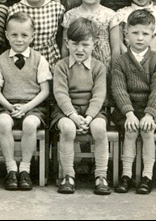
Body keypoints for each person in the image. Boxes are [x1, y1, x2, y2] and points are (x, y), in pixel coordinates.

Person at [111, 9, 156, 195]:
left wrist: (150, 114)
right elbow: (119, 89)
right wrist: (128, 113)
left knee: (147, 130)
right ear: (126, 34)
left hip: (151, 110)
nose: (140, 38)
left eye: (145, 34)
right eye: (135, 33)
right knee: (130, 129)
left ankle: (147, 175)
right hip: (127, 110)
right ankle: (126, 174)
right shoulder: (120, 61)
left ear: (153, 35)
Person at [0, 12, 51, 191]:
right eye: (14, 35)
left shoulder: (39, 59)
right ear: (7, 35)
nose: (19, 39)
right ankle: (11, 169)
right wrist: (8, 106)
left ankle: (25, 169)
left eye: (24, 35)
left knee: (30, 124)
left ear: (32, 36)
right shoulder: (0, 60)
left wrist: (26, 107)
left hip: (33, 106)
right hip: (8, 105)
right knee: (2, 122)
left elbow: (45, 90)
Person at [53, 18, 110, 195]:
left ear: (94, 44)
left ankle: (101, 175)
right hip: (66, 111)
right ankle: (68, 175)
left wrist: (89, 117)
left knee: (100, 129)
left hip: (92, 111)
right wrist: (73, 116)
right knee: (68, 129)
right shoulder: (61, 66)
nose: (79, 49)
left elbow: (99, 95)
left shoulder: (98, 67)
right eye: (75, 44)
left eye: (85, 44)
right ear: (67, 43)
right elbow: (60, 93)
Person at [61, 0, 122, 71]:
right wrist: (66, 69)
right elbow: (65, 46)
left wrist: (114, 71)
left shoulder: (110, 15)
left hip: (103, 66)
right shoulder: (70, 15)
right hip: (77, 65)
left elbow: (116, 48)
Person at [8, 0, 66, 70]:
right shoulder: (15, 10)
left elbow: (60, 38)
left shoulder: (57, 9)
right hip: (25, 62)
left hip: (50, 60)